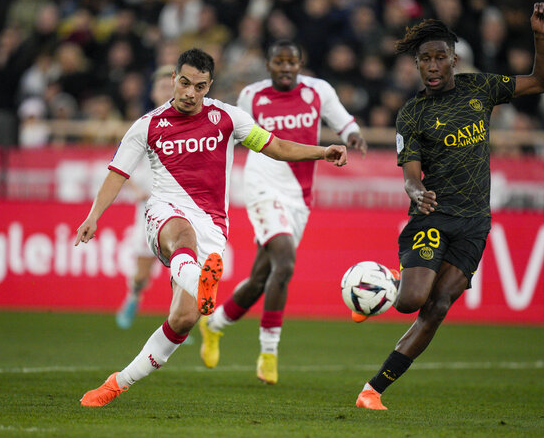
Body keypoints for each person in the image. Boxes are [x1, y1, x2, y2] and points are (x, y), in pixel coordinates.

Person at [74, 48, 348, 407]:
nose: (190, 93)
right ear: (173, 79)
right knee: (182, 235)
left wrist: (322, 151)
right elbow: (117, 174)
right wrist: (94, 216)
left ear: (209, 86)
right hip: (166, 212)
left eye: (199, 86)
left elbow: (275, 146)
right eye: (184, 83)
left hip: (213, 226)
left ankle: (117, 382)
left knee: (185, 318)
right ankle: (200, 281)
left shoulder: (228, 119)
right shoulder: (148, 125)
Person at [355, 3, 544, 411]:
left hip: (475, 223)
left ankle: (372, 391)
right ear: (416, 64)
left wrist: (540, 36)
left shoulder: (479, 88)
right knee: (411, 302)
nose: (432, 66)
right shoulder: (412, 113)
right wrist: (414, 191)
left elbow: (542, 82)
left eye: (439, 57)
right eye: (424, 59)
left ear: (453, 59)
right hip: (434, 215)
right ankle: (383, 282)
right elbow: (411, 174)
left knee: (438, 307)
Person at [198, 39, 367, 384]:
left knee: (262, 278)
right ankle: (269, 352)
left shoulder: (319, 91)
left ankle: (214, 324)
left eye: (293, 62)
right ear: (269, 64)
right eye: (280, 61)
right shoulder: (252, 96)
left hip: (299, 197)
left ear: (301, 64)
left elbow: (345, 123)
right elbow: (232, 134)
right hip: (262, 186)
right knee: (285, 262)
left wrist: (354, 137)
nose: (286, 67)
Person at [115, 64, 174, 330]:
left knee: (184, 265)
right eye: (162, 86)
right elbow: (120, 165)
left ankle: (179, 319)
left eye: (171, 86)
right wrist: (136, 190)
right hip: (149, 208)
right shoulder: (144, 126)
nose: (168, 91)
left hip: (182, 206)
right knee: (142, 269)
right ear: (153, 93)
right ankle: (133, 296)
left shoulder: (192, 124)